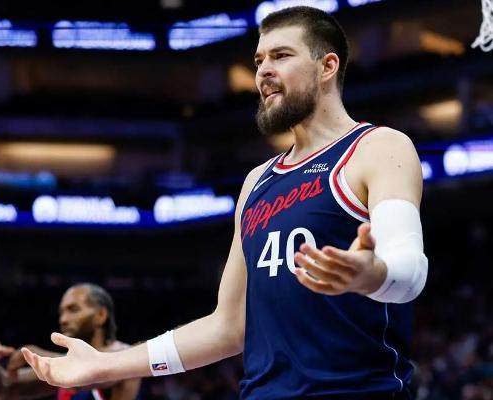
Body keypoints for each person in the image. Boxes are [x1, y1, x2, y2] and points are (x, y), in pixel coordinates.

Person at [21, 6, 428, 399]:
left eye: (281, 56)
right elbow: (227, 327)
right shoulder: (257, 182)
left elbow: (409, 271)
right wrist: (106, 366)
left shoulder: (378, 147)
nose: (263, 71)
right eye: (259, 60)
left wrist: (371, 275)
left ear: (327, 67)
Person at [0, 283, 141, 399]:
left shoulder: (124, 355)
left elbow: (91, 372)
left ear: (101, 315)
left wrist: (40, 355)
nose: (63, 319)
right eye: (61, 312)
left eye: (73, 310)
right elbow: (4, 388)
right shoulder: (62, 365)